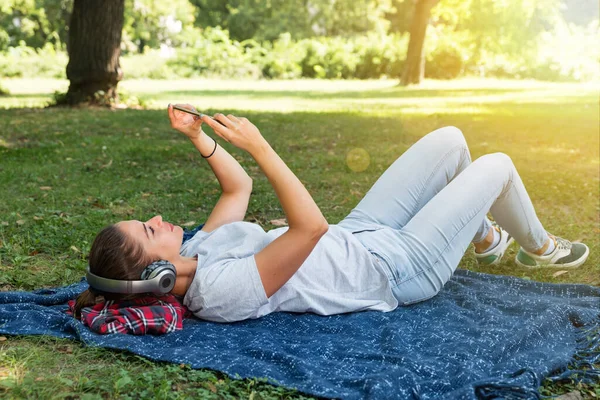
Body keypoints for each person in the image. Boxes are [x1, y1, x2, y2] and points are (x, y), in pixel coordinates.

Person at [72, 104, 590, 323]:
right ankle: (540, 249)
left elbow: (239, 188)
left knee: (452, 143)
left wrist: (196, 135)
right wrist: (263, 146)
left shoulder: (196, 251)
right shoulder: (218, 292)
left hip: (363, 232)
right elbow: (310, 228)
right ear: (156, 275)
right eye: (149, 229)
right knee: (496, 166)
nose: (160, 220)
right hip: (398, 269)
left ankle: (484, 237)